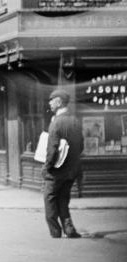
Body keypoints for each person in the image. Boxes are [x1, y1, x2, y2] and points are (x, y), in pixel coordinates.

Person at [43, 88, 84, 239]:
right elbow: (81, 146)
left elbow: (52, 151)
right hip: (71, 171)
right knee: (63, 199)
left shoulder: (56, 123)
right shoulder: (75, 121)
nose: (50, 104)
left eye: (51, 101)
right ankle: (69, 228)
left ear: (59, 102)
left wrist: (47, 167)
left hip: (56, 171)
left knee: (50, 198)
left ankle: (55, 231)